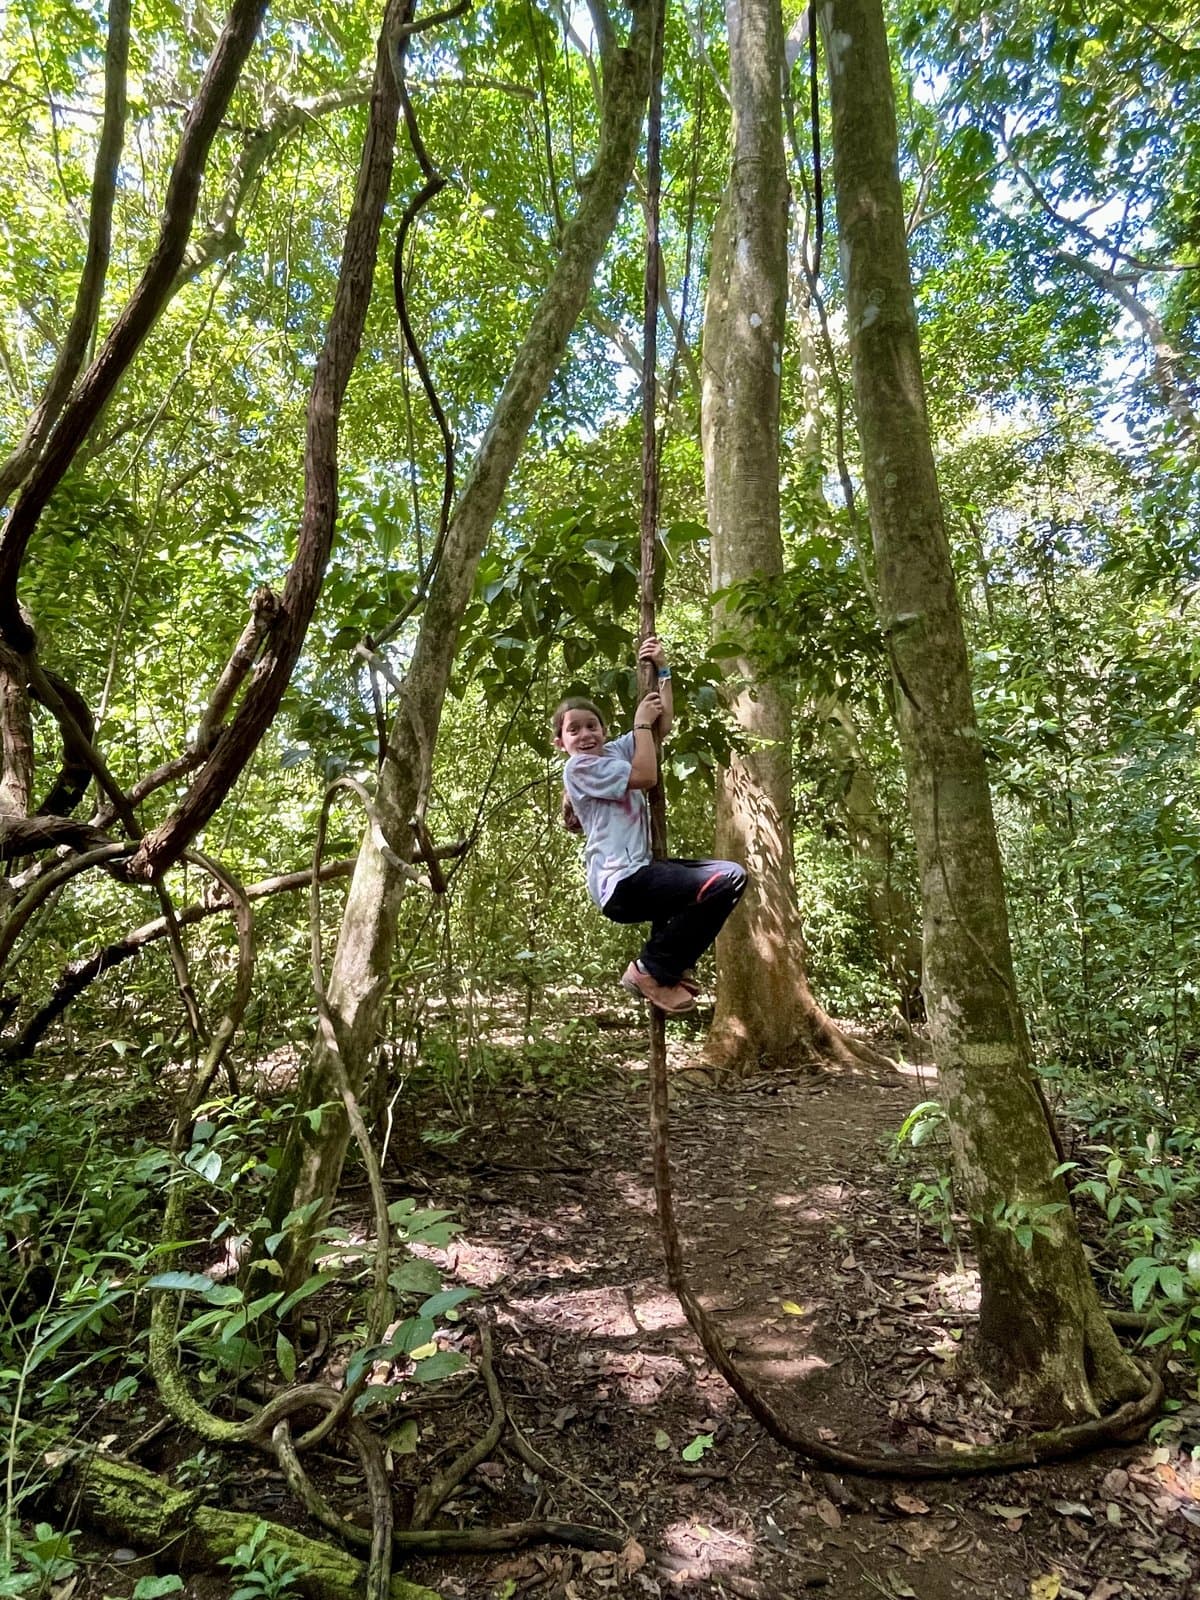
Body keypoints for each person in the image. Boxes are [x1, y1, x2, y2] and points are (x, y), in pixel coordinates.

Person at [554, 637, 747, 1015]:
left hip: (641, 872)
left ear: (605, 730)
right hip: (621, 884)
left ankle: (664, 969)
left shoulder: (612, 752)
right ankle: (651, 969)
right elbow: (646, 775)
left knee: (728, 878)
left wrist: (663, 671)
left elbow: (659, 729)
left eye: (592, 725)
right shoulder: (579, 767)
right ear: (561, 742)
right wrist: (639, 722)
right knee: (726, 880)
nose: (586, 734)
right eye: (574, 730)